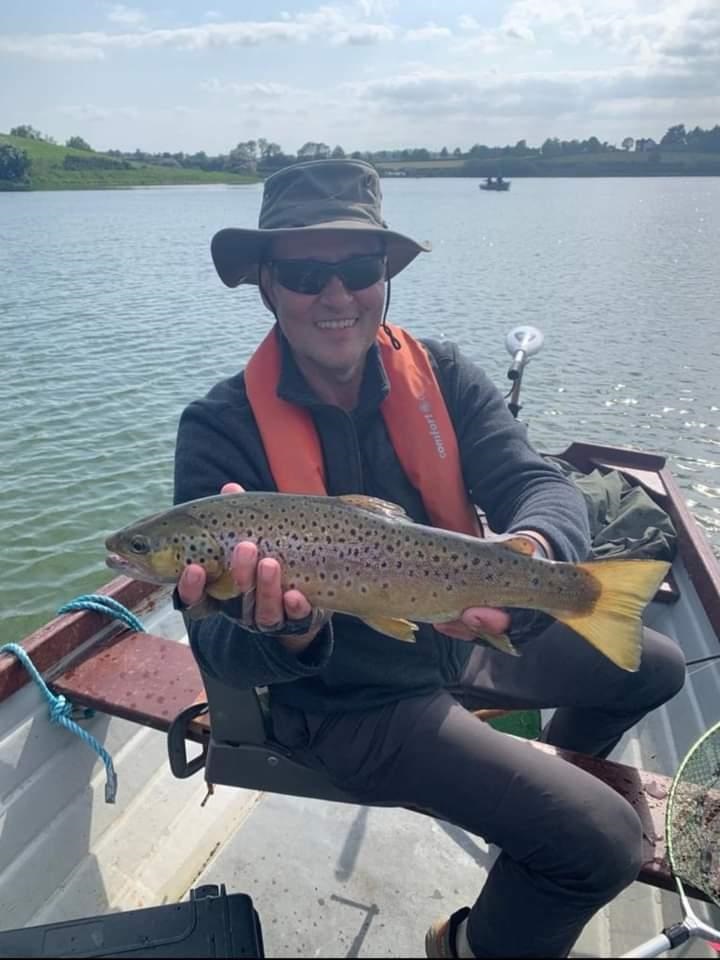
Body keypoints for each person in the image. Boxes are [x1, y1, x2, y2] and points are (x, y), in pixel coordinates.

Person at [173, 158, 685, 958]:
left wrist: (533, 556)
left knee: (656, 667)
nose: (336, 296)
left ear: (384, 277)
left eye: (358, 269)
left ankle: (542, 802)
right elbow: (216, 645)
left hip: (452, 638)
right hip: (346, 707)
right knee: (606, 845)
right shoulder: (218, 429)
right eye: (305, 274)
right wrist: (291, 635)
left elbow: (536, 483)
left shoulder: (442, 374)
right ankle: (469, 942)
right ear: (267, 285)